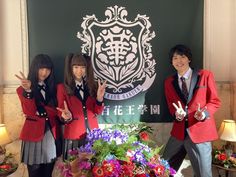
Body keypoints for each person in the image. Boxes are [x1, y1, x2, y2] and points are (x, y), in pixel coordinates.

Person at [162, 44, 221, 177]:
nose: (179, 61)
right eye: (175, 58)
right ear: (171, 62)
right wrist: (177, 114)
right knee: (162, 169)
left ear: (189, 59)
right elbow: (171, 106)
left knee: (203, 174)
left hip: (200, 133)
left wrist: (204, 113)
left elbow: (215, 101)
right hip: (178, 133)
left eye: (182, 57)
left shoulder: (205, 75)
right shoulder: (168, 82)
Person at [15, 54, 61, 177]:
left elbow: (57, 111)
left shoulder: (55, 88)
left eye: (47, 69)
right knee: (34, 174)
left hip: (50, 135)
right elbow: (29, 112)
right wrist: (29, 91)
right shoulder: (22, 90)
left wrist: (41, 111)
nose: (44, 72)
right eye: (41, 68)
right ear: (35, 68)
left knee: (48, 173)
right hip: (33, 136)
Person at [56, 53, 106, 160]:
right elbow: (61, 109)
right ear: (70, 68)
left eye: (83, 67)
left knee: (94, 170)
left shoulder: (93, 86)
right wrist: (66, 115)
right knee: (73, 171)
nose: (79, 71)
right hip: (74, 136)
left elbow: (97, 111)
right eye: (76, 67)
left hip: (93, 135)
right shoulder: (62, 88)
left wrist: (99, 99)